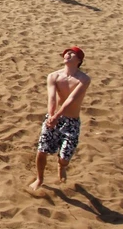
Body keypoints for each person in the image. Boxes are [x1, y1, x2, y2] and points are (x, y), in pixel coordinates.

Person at [29, 47, 91, 190]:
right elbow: (51, 97)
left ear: (79, 60)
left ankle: (61, 166)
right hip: (53, 118)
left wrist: (57, 115)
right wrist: (51, 116)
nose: (67, 55)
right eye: (66, 53)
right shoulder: (53, 76)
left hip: (71, 122)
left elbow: (71, 99)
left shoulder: (84, 79)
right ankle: (39, 179)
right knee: (42, 150)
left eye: (72, 53)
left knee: (64, 158)